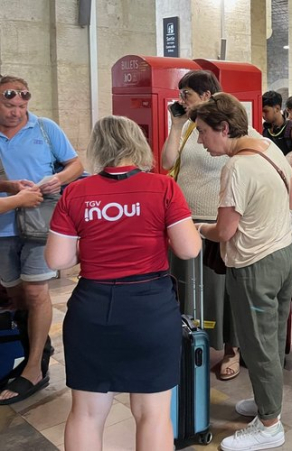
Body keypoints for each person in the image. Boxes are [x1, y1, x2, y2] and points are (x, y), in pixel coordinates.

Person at [45, 115, 201, 450]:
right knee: (153, 414)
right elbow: (189, 249)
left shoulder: (76, 192)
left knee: (86, 413)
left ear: (98, 148)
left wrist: (87, 248)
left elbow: (57, 260)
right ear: (138, 145)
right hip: (151, 308)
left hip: (93, 307)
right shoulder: (163, 187)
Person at [190, 93, 292, 450]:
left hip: (255, 265)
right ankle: (265, 403)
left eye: (203, 131)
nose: (199, 141)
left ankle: (270, 426)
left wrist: (198, 228)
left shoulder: (236, 167)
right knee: (268, 342)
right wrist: (265, 220)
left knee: (259, 347)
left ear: (224, 128)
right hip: (284, 254)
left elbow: (224, 232)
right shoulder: (268, 147)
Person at [0, 75, 84, 404]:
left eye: (22, 106)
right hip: (4, 227)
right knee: (17, 294)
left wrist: (57, 179)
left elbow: (76, 165)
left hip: (40, 225)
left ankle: (34, 368)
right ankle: (37, 349)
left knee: (36, 291)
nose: (16, 112)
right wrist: (10, 189)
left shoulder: (45, 128)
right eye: (9, 105)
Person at [160, 69, 244, 381]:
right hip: (185, 219)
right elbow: (167, 162)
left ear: (207, 95)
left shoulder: (226, 129)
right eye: (180, 94)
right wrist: (176, 124)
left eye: (187, 95)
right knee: (186, 286)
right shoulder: (189, 129)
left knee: (220, 289)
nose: (181, 100)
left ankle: (231, 348)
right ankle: (192, 339)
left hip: (216, 219)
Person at [262, 90, 292, 172]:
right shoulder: (264, 130)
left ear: (277, 108)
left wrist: (289, 175)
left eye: (266, 111)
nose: (263, 115)